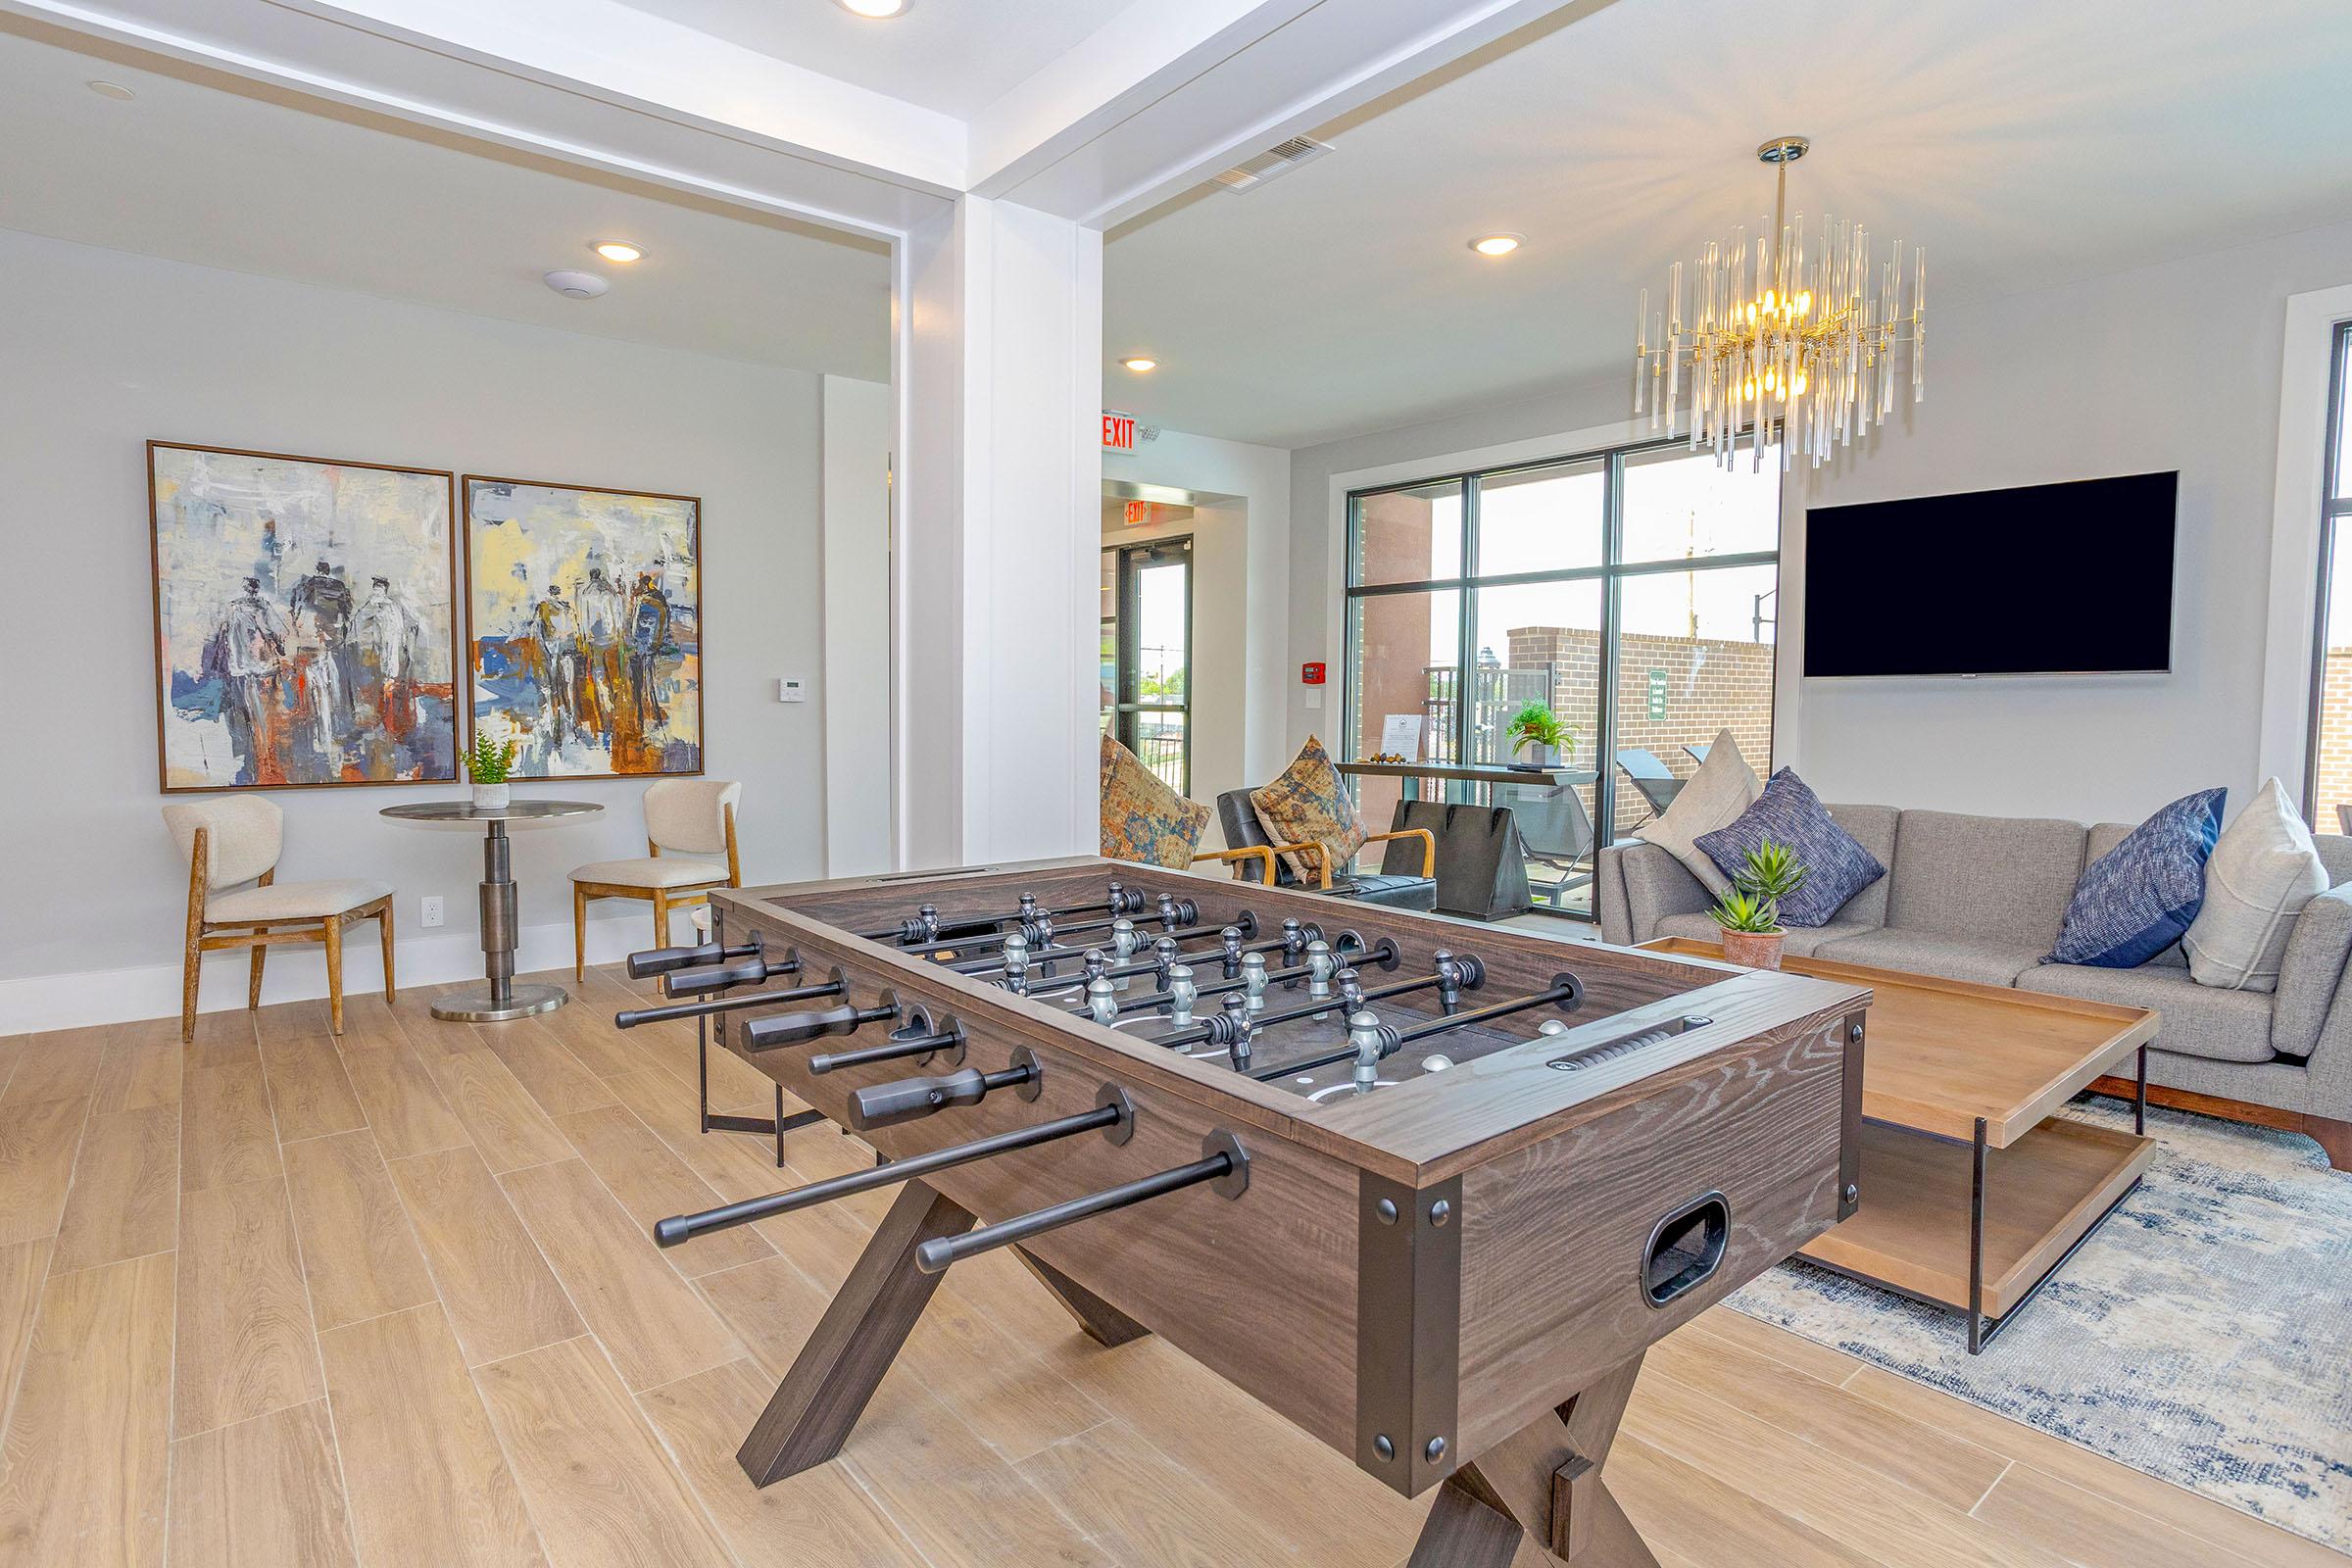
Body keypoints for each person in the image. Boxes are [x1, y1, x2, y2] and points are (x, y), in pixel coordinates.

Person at [209, 576, 290, 780]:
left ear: (245, 589)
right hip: (262, 664)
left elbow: (224, 636)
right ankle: (263, 748)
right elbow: (279, 630)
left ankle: (252, 747)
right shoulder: (263, 606)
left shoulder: (234, 608)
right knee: (265, 708)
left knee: (245, 705)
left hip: (239, 665)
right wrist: (278, 645)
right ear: (256, 589)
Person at [350, 574, 418, 732]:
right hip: (380, 654)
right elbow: (359, 622)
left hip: (392, 651)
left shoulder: (392, 606)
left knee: (390, 682)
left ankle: (390, 719)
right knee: (382, 683)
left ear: (384, 589)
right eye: (375, 587)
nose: (376, 590)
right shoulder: (373, 605)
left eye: (378, 587)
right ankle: (384, 718)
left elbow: (405, 627)